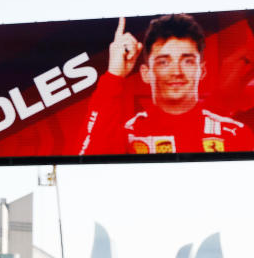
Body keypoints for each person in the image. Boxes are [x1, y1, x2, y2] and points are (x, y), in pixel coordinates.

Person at [79, 13, 254, 155]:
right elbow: (85, 162)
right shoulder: (128, 136)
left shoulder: (234, 134)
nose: (176, 71)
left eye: (187, 61)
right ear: (146, 74)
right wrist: (114, 75)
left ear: (202, 71)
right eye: (164, 62)